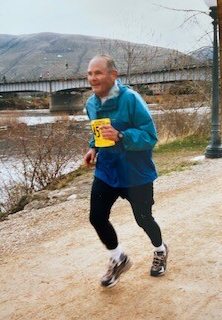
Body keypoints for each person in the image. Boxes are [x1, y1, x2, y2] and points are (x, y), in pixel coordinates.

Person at [84, 54, 168, 288]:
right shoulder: (91, 103)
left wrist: (121, 136)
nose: (93, 78)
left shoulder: (131, 99)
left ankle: (160, 249)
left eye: (98, 73)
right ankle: (118, 257)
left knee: (143, 219)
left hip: (136, 173)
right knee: (97, 217)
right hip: (107, 171)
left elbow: (150, 137)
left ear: (113, 75)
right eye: (90, 73)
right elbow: (98, 132)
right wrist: (93, 148)